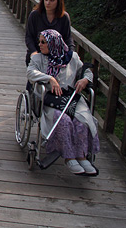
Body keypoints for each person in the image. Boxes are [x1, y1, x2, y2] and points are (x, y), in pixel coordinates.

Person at [27, 29, 99, 175]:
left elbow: (87, 72)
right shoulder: (38, 59)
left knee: (81, 121)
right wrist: (49, 78)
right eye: (39, 41)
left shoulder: (72, 58)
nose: (39, 45)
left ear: (54, 44)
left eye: (43, 42)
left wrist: (85, 80)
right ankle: (69, 157)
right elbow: (30, 72)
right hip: (51, 100)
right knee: (64, 120)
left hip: (71, 97)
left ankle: (82, 156)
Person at [24, 0, 73, 66]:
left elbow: (68, 38)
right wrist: (33, 52)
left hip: (56, 58)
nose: (47, 3)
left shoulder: (64, 17)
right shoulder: (34, 15)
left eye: (52, 0)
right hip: (36, 56)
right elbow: (29, 36)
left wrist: (71, 54)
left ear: (58, 1)